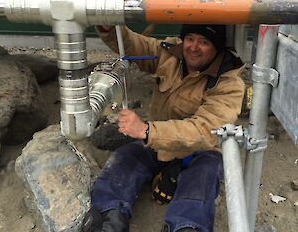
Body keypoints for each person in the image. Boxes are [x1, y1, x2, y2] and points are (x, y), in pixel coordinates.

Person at [81, 24, 245, 232]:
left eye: (204, 42)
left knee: (202, 178)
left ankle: (186, 227)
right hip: (157, 143)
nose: (194, 47)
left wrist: (147, 131)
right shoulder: (170, 53)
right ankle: (107, 220)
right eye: (190, 38)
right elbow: (136, 45)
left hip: (200, 151)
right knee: (125, 159)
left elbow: (205, 131)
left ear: (217, 48)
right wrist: (110, 29)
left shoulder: (229, 83)